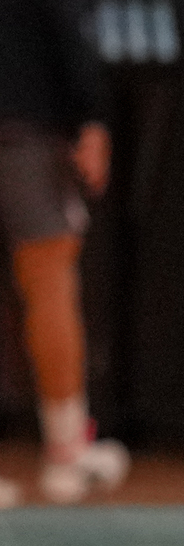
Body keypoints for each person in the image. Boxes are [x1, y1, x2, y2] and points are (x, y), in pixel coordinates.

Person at [0, 0, 129, 507]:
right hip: (26, 131)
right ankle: (65, 454)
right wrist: (92, 117)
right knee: (49, 282)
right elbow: (65, 26)